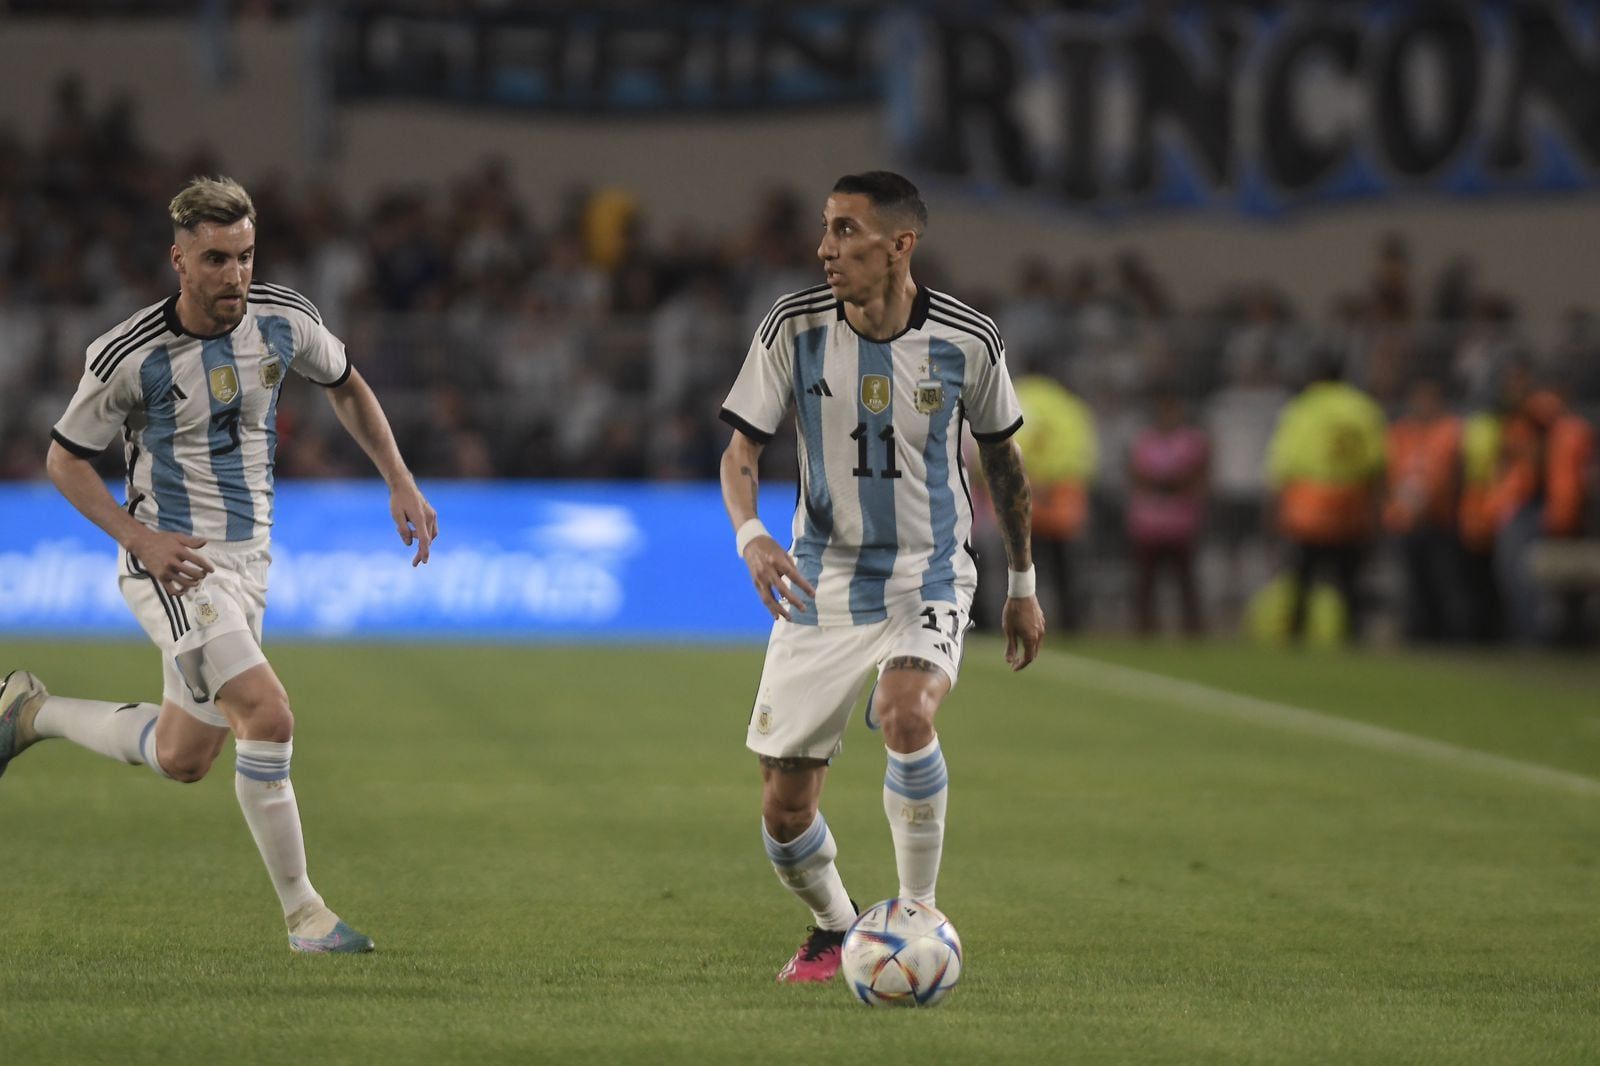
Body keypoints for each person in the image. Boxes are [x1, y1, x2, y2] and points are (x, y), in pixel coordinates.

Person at [0, 176, 438, 953]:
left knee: (184, 757)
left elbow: (346, 385)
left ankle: (29, 713)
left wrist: (399, 478)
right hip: (173, 564)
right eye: (216, 259)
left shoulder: (283, 318)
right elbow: (64, 461)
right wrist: (139, 542)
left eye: (244, 256)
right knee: (267, 713)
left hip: (250, 560)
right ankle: (307, 917)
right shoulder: (128, 355)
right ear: (179, 260)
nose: (235, 275)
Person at [718, 171, 1045, 984]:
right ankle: (835, 927)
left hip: (927, 572)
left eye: (847, 231)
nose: (826, 248)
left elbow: (1004, 461)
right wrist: (751, 535)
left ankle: (917, 916)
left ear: (901, 244)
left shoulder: (969, 339)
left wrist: (1023, 584)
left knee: (905, 713)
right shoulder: (792, 328)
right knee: (784, 812)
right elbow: (740, 453)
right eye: (826, 229)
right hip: (820, 584)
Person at [1266, 354, 1387, 643]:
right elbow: (1378, 463)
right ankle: (1353, 639)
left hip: (1308, 502)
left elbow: (1283, 463)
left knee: (1302, 577)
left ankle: (1296, 637)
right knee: (1349, 579)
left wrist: (1273, 509)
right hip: (1351, 500)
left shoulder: (1302, 407)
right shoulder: (1363, 407)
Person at [1126, 386, 1209, 635]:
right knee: (1146, 586)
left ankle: (1192, 632)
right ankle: (1146, 631)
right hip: (1149, 525)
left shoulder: (1191, 441)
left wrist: (1162, 482)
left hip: (1181, 524)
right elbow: (1137, 475)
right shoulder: (1145, 440)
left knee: (1186, 584)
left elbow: (1196, 475)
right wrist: (1170, 482)